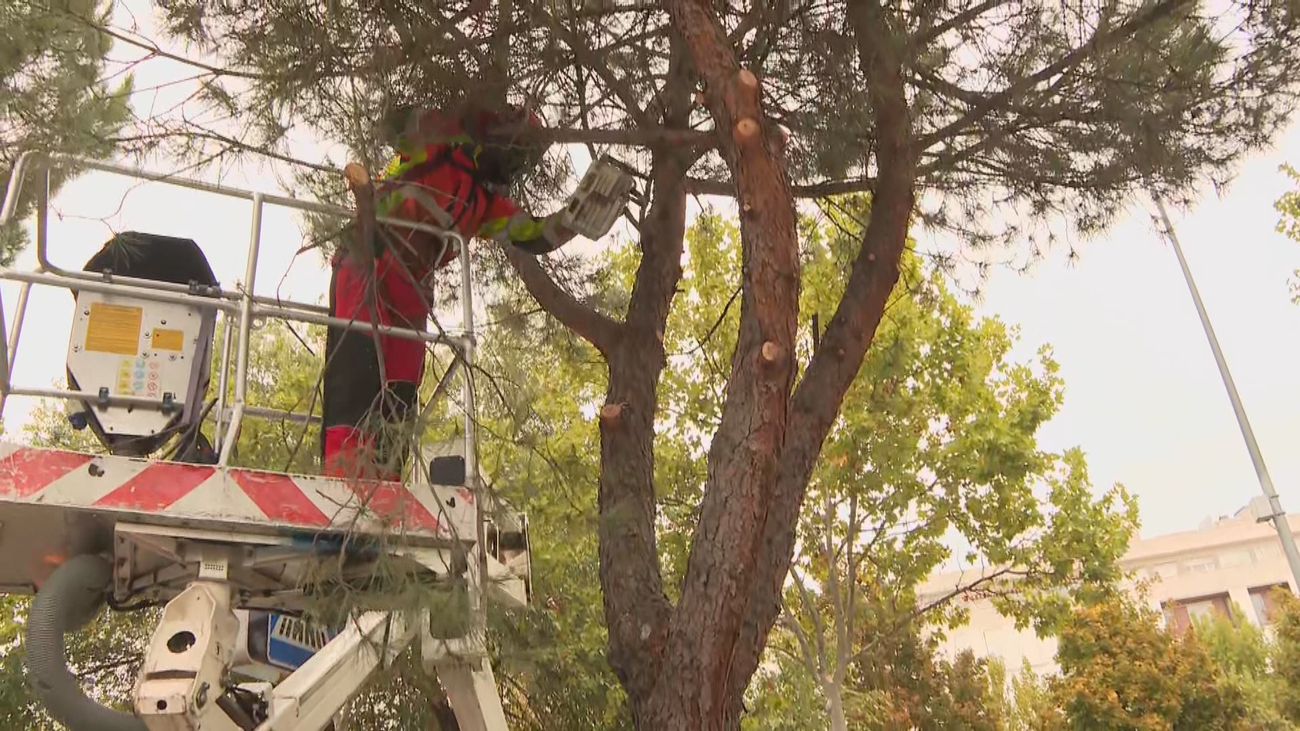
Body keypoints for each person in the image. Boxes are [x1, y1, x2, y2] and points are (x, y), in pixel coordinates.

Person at [321, 103, 576, 481]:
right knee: (357, 361)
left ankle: (386, 476)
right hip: (368, 257)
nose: (515, 164)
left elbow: (535, 235)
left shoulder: (485, 204)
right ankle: (343, 469)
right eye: (517, 150)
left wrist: (578, 217)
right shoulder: (439, 141)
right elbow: (389, 121)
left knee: (403, 381)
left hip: (413, 282)